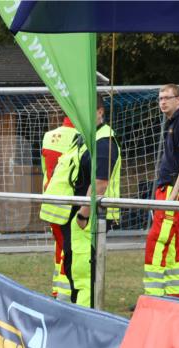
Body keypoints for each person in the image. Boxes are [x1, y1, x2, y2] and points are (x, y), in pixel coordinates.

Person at [145, 84, 179, 298]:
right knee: (172, 239)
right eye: (160, 98)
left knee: (157, 238)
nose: (163, 102)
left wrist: (175, 191)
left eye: (167, 97)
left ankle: (152, 295)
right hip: (167, 187)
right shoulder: (173, 122)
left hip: (173, 189)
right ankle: (176, 294)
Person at [66, 97, 121, 308]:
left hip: (90, 216)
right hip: (82, 212)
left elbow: (100, 183)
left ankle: (85, 314)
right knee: (75, 266)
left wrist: (83, 214)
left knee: (83, 270)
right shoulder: (87, 138)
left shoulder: (104, 141)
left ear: (100, 112)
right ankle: (78, 309)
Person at [39, 116, 78, 300]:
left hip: (50, 199)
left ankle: (57, 288)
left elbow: (45, 173)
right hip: (69, 201)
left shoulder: (48, 136)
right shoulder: (80, 137)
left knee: (59, 246)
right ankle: (65, 292)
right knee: (69, 248)